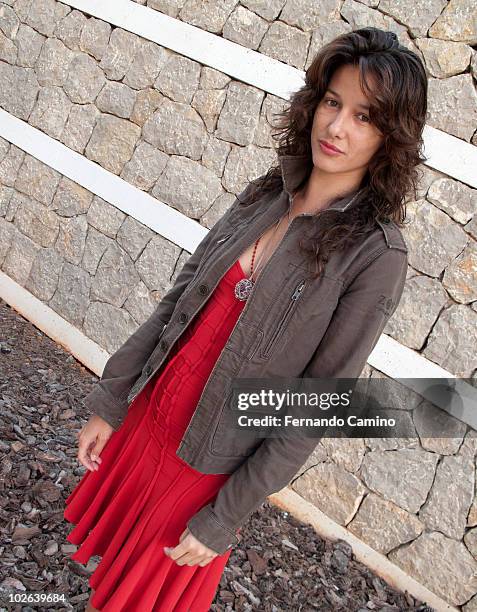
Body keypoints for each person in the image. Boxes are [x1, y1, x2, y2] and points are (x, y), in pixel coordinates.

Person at [63, 26, 428, 611]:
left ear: (391, 138)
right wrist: (114, 399)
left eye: (366, 116)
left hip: (205, 466)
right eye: (333, 102)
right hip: (151, 419)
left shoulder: (374, 255)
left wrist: (223, 518)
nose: (337, 127)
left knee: (145, 599)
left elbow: (314, 406)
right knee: (108, 578)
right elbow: (178, 298)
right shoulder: (269, 191)